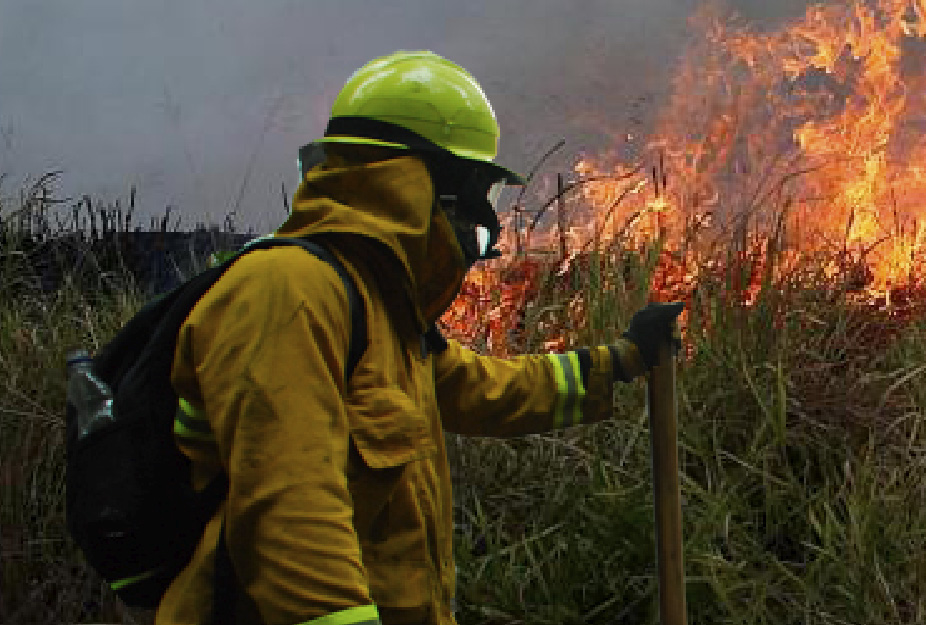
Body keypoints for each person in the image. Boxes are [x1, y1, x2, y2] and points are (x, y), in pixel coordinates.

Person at [150, 51, 684, 625]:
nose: (485, 216)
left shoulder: (378, 308)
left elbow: (484, 388)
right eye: (481, 190)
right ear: (423, 185)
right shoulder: (288, 292)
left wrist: (622, 360)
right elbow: (290, 514)